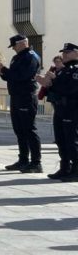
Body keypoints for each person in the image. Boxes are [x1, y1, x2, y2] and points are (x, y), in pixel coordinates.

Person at [0, 34, 42, 174]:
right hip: (16, 96)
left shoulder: (30, 57)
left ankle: (36, 162)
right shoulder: (18, 57)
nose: (13, 49)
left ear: (22, 43)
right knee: (19, 130)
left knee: (29, 129)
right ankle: (23, 160)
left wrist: (3, 70)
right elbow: (11, 76)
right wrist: (2, 71)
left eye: (14, 45)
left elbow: (22, 76)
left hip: (26, 96)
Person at [39, 42, 78, 180]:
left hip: (72, 109)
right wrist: (47, 83)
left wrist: (54, 81)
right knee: (61, 139)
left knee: (72, 140)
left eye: (67, 52)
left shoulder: (75, 69)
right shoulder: (62, 69)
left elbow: (70, 89)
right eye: (63, 52)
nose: (64, 55)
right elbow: (54, 89)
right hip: (60, 108)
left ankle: (76, 169)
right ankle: (65, 167)